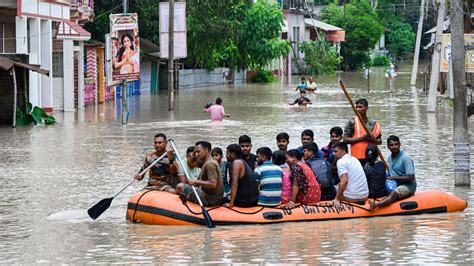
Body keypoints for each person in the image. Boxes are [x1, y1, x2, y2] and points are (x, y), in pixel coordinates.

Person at [369, 135, 416, 211]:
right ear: (388, 146)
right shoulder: (390, 158)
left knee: (393, 193)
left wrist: (393, 178)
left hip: (408, 186)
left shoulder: (406, 158)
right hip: (395, 183)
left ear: (399, 145)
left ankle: (376, 205)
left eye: (396, 144)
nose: (394, 147)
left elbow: (411, 177)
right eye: (391, 145)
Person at [176, 141, 224, 207]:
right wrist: (194, 152)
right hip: (211, 197)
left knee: (180, 186)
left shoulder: (210, 164)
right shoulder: (205, 161)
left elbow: (213, 184)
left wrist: (195, 181)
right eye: (195, 152)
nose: (196, 154)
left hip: (209, 200)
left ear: (206, 150)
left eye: (198, 151)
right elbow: (190, 163)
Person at [343, 98, 382, 166]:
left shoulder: (374, 123)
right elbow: (345, 139)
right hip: (357, 158)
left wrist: (373, 139)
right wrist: (362, 138)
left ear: (366, 108)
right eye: (356, 107)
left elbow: (379, 141)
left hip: (371, 158)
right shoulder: (352, 122)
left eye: (360, 107)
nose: (358, 109)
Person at [332, 142, 369, 208]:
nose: (333, 154)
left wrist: (337, 199)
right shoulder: (355, 159)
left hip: (353, 197)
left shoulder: (341, 162)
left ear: (343, 151)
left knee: (332, 188)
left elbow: (345, 180)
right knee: (339, 185)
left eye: (335, 151)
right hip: (365, 196)